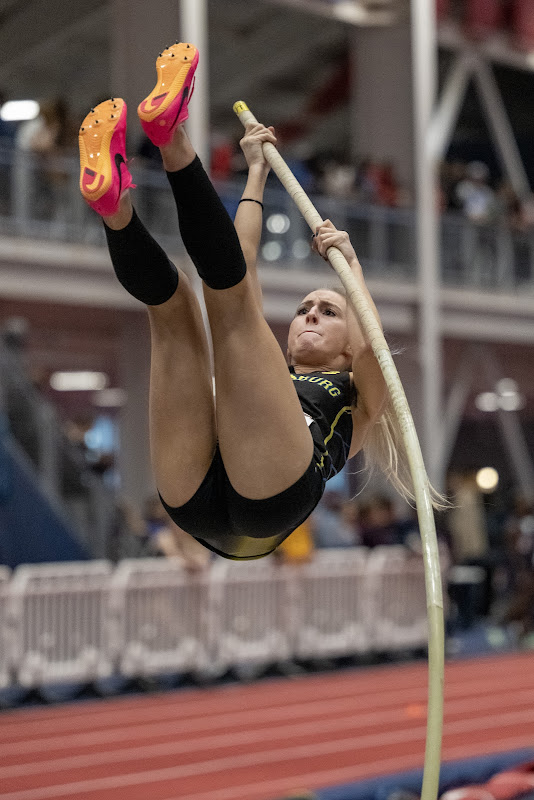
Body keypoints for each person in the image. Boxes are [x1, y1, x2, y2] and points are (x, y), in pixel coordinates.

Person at [79, 42, 438, 562]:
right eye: (305, 310)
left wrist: (353, 270)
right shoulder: (270, 372)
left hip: (236, 496)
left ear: (348, 339)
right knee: (180, 300)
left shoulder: (360, 400)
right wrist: (255, 173)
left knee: (211, 304)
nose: (310, 313)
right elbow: (240, 258)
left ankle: (171, 140)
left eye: (328, 311)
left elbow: (372, 350)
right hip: (222, 495)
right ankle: (118, 204)